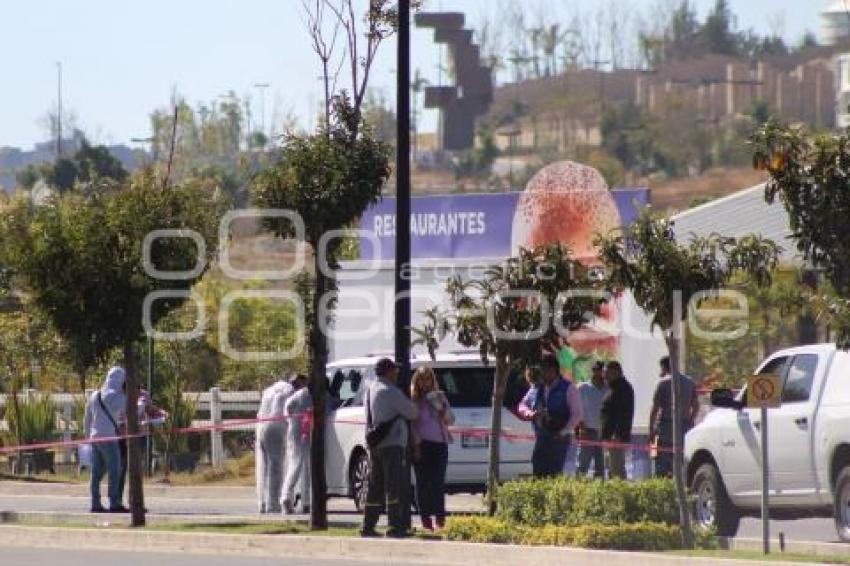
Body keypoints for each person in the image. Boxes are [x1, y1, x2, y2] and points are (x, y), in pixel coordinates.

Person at [361, 358, 419, 538]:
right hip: (392, 444)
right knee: (394, 486)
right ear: (388, 372)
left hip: (375, 444)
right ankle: (395, 526)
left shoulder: (370, 390)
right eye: (395, 370)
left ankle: (368, 526)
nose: (397, 373)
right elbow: (412, 412)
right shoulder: (391, 391)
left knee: (375, 486)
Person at [518, 354, 582, 478]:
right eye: (541, 370)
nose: (542, 374)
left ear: (554, 371)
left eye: (546, 370)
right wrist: (531, 414)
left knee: (554, 474)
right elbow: (522, 405)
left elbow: (577, 415)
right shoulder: (537, 388)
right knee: (538, 470)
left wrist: (562, 432)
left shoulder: (568, 388)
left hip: (559, 438)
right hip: (541, 437)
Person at [410, 366, 454, 532]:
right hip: (422, 445)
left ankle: (440, 520)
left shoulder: (439, 396)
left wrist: (442, 408)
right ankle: (425, 520)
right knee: (423, 484)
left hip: (439, 444)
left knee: (438, 483)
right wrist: (415, 446)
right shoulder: (414, 400)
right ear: (416, 381)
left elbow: (451, 419)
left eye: (428, 378)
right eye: (421, 379)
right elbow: (412, 425)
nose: (425, 382)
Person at [83, 366, 128, 513]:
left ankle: (95, 503)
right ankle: (114, 502)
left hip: (95, 438)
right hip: (109, 438)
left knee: (96, 472)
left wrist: (87, 436)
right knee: (115, 470)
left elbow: (87, 418)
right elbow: (132, 409)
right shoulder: (117, 397)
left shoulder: (95, 395)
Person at [649, 356, 700, 478]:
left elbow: (655, 409)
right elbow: (696, 406)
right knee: (680, 462)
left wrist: (651, 430)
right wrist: (689, 421)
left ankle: (662, 488)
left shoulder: (663, 384)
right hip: (684, 428)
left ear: (664, 367)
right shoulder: (689, 382)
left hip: (665, 428)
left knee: (661, 463)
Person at [255, 374, 294, 514]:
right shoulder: (289, 389)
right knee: (275, 467)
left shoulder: (268, 391)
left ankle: (262, 502)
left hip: (261, 425)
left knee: (262, 466)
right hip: (277, 425)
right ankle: (273, 504)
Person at [600, 361, 635, 480]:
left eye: (606, 373)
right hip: (611, 437)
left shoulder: (623, 388)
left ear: (615, 372)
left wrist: (617, 434)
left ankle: (621, 496)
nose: (604, 376)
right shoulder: (614, 387)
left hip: (616, 437)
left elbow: (623, 414)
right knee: (611, 469)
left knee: (617, 471)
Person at [282, 374, 312, 515]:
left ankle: (305, 502)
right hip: (304, 432)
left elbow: (287, 409)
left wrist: (292, 421)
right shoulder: (307, 394)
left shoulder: (296, 395)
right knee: (301, 465)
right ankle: (288, 496)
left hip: (294, 430)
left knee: (300, 465)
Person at [576, 361, 608, 479]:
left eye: (602, 371)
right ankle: (578, 487)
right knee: (583, 463)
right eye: (597, 370)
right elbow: (576, 408)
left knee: (600, 465)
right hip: (587, 431)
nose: (600, 373)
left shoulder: (608, 388)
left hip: (603, 432)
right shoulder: (583, 387)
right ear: (593, 371)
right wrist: (581, 427)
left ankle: (599, 490)